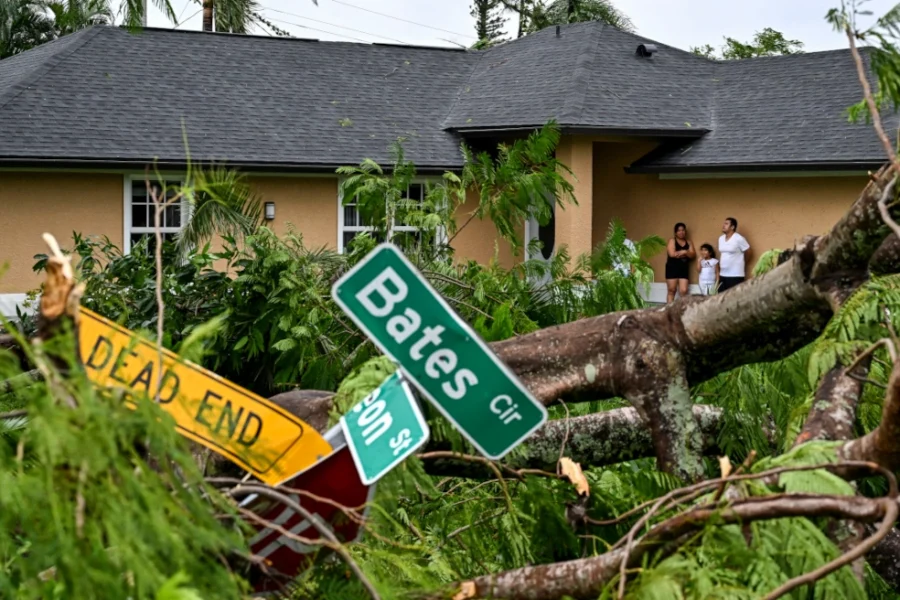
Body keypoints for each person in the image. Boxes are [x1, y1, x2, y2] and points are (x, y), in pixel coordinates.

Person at [718, 217, 750, 292]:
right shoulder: (721, 238)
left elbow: (748, 251)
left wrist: (744, 262)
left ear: (732, 227)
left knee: (734, 298)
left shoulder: (738, 238)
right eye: (724, 223)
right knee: (721, 298)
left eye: (726, 224)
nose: (723, 225)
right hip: (723, 274)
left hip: (735, 275)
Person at [665, 222, 695, 302]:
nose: (681, 232)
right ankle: (669, 310)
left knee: (684, 291)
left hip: (683, 268)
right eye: (679, 230)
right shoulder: (672, 240)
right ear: (675, 232)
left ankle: (681, 310)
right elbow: (672, 254)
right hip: (672, 267)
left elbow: (692, 255)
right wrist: (686, 253)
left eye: (683, 230)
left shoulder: (689, 242)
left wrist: (684, 252)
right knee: (672, 290)